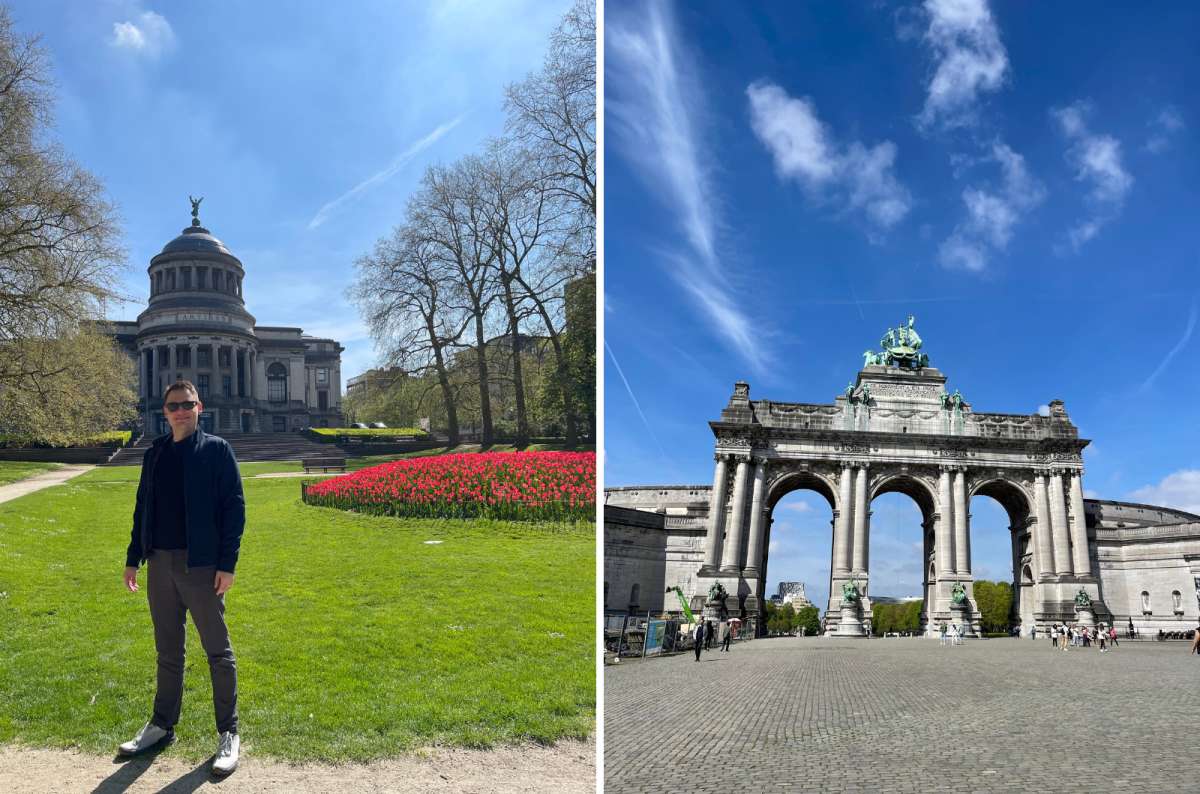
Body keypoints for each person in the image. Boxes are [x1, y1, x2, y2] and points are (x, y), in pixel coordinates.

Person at [119, 381, 246, 775]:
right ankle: (161, 724)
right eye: (174, 405)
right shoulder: (154, 453)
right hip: (159, 563)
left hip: (203, 566)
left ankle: (229, 732)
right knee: (168, 651)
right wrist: (132, 558)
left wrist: (228, 564)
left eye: (187, 404)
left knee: (218, 652)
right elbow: (143, 507)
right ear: (165, 411)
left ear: (199, 406)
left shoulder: (216, 450)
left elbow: (234, 508)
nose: (180, 411)